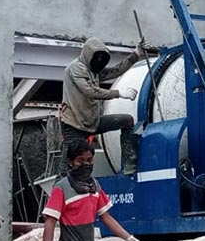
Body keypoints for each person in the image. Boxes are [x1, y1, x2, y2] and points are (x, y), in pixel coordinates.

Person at [60, 37, 150, 175]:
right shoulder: (76, 69)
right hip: (75, 125)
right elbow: (89, 91)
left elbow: (115, 71)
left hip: (92, 122)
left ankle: (129, 165)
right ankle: (58, 193)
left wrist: (136, 55)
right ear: (88, 55)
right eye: (97, 57)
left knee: (127, 121)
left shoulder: (93, 71)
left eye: (103, 58)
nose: (100, 61)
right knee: (67, 168)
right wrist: (118, 93)